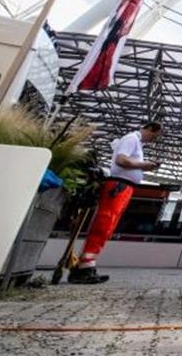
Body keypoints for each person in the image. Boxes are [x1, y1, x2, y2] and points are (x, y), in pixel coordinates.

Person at [68, 121, 162, 284]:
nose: (154, 140)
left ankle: (88, 263)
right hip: (119, 186)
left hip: (124, 187)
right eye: (155, 136)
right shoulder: (132, 139)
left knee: (108, 224)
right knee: (105, 222)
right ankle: (84, 266)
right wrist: (144, 165)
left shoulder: (136, 142)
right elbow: (121, 160)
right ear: (151, 129)